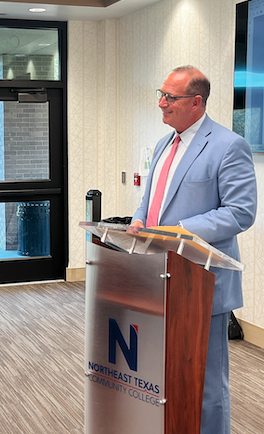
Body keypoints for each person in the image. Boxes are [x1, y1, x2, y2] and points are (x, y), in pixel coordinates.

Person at [130, 66, 257, 433]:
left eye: (170, 97)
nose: (161, 103)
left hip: (201, 285)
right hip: (156, 278)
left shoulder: (228, 145)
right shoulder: (163, 143)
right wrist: (140, 220)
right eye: (162, 93)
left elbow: (240, 212)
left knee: (205, 383)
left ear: (196, 102)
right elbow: (151, 201)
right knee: (167, 378)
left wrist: (179, 231)